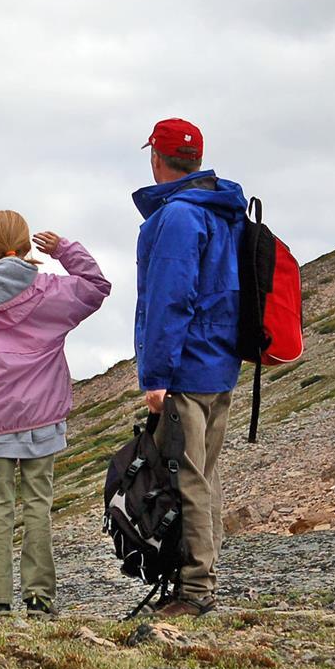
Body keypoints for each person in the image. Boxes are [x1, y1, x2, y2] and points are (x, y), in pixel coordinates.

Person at [0, 211, 111, 616]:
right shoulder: (51, 291)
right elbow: (97, 286)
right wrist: (65, 249)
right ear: (28, 246)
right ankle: (39, 596)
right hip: (45, 417)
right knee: (38, 504)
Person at [134, 117, 247, 617]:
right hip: (219, 366)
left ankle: (195, 591)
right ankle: (201, 580)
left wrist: (156, 376)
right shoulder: (224, 211)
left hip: (188, 371)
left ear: (157, 159)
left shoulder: (179, 217)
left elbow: (169, 300)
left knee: (187, 479)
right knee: (205, 476)